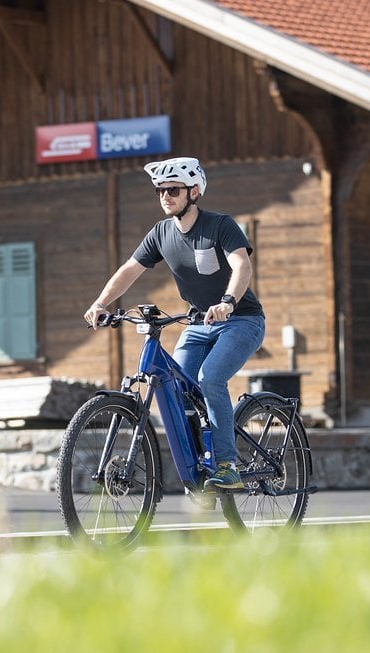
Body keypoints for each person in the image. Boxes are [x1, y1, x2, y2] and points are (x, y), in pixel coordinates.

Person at [84, 157, 265, 507]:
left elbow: (242, 264)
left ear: (193, 192)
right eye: (160, 191)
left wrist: (228, 301)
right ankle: (201, 470)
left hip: (241, 320)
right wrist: (101, 303)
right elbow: (129, 270)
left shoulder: (220, 225)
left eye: (173, 190)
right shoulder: (161, 234)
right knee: (179, 388)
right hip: (199, 325)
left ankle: (226, 464)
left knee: (211, 378)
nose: (165, 196)